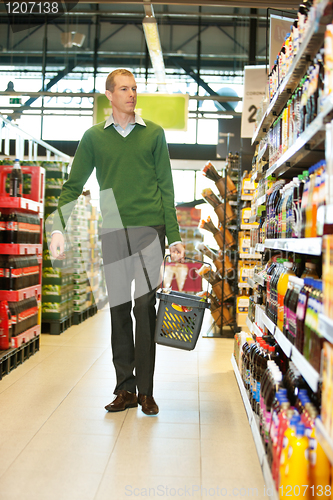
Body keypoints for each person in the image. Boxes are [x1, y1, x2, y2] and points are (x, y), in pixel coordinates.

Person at [49, 68, 185, 416]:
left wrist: (175, 237)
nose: (131, 94)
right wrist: (57, 226)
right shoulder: (94, 138)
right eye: (124, 88)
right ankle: (125, 388)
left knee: (144, 307)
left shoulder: (153, 134)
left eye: (134, 88)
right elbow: (72, 184)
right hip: (113, 230)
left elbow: (167, 188)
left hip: (149, 230)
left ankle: (147, 391)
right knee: (120, 310)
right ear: (108, 95)